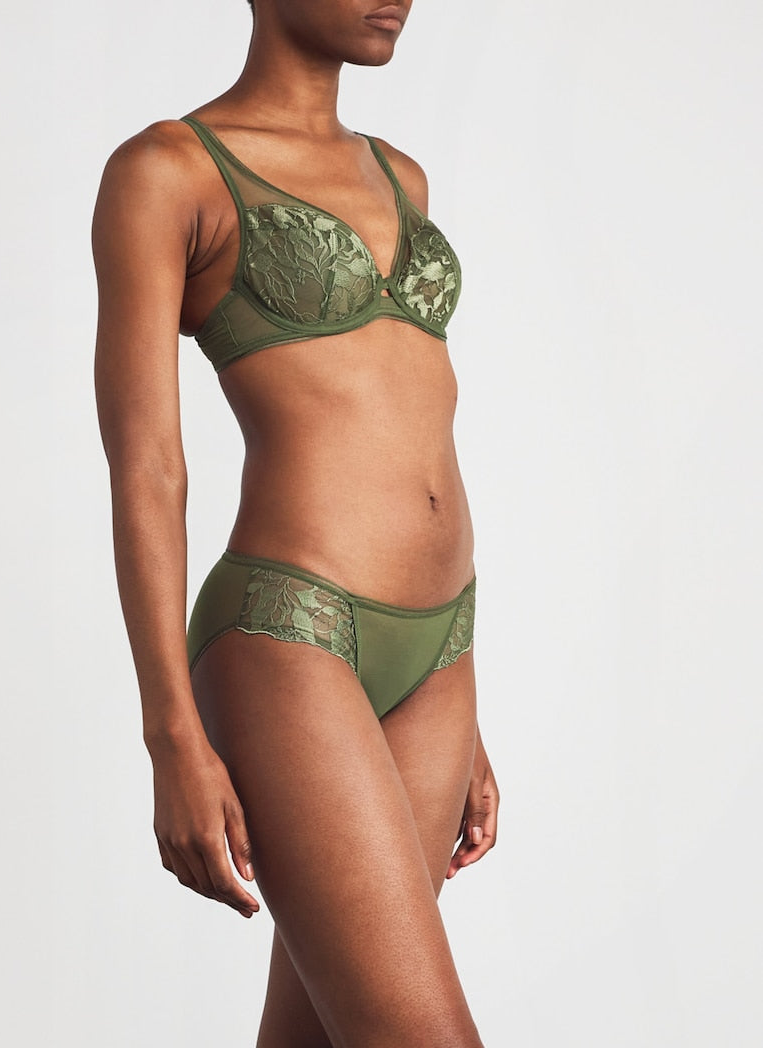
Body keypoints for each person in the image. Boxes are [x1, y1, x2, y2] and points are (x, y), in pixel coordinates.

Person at [91, 2, 500, 1045]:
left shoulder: (400, 176)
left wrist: (470, 720)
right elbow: (147, 467)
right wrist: (171, 735)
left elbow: (413, 421)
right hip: (289, 631)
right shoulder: (167, 172)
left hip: (442, 649)